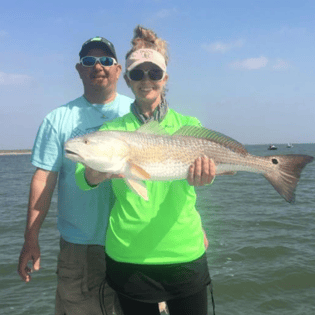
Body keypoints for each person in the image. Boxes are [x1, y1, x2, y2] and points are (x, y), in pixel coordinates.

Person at [76, 26, 216, 315]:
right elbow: (83, 178)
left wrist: (207, 176)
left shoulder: (190, 125)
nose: (146, 81)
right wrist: (96, 172)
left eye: (154, 73)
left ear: (165, 77)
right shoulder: (112, 131)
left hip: (184, 252)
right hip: (129, 257)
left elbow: (206, 176)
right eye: (138, 74)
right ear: (127, 79)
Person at [17, 36, 134, 315]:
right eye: (89, 61)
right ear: (79, 69)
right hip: (80, 248)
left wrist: (195, 223)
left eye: (106, 60)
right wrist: (30, 239)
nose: (98, 66)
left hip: (136, 241)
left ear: (118, 70)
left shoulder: (137, 113)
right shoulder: (58, 119)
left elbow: (166, 170)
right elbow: (43, 179)